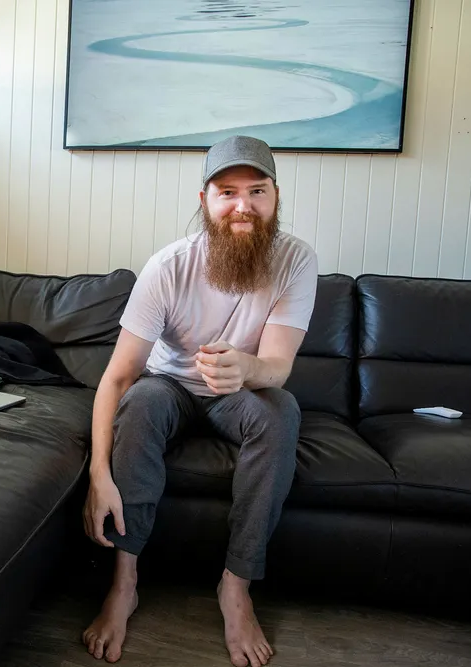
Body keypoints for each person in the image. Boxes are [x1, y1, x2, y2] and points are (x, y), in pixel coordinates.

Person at [81, 135, 318, 667]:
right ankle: (124, 583)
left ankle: (236, 586)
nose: (243, 206)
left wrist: (247, 368)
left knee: (282, 412)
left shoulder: (296, 260)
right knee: (141, 402)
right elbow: (117, 378)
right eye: (227, 192)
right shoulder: (168, 266)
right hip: (170, 387)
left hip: (240, 392)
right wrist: (98, 474)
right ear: (205, 200)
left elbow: (277, 368)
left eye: (257, 191)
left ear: (276, 196)